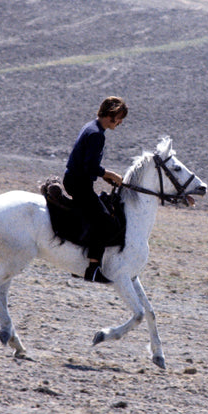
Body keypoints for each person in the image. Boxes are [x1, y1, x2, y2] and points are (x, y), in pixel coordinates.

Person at [63, 96, 127, 283]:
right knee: (105, 221)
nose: (121, 122)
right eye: (120, 117)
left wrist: (104, 175)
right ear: (111, 114)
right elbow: (89, 167)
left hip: (76, 180)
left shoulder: (92, 127)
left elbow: (88, 165)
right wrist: (111, 174)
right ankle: (92, 269)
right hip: (79, 184)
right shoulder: (96, 134)